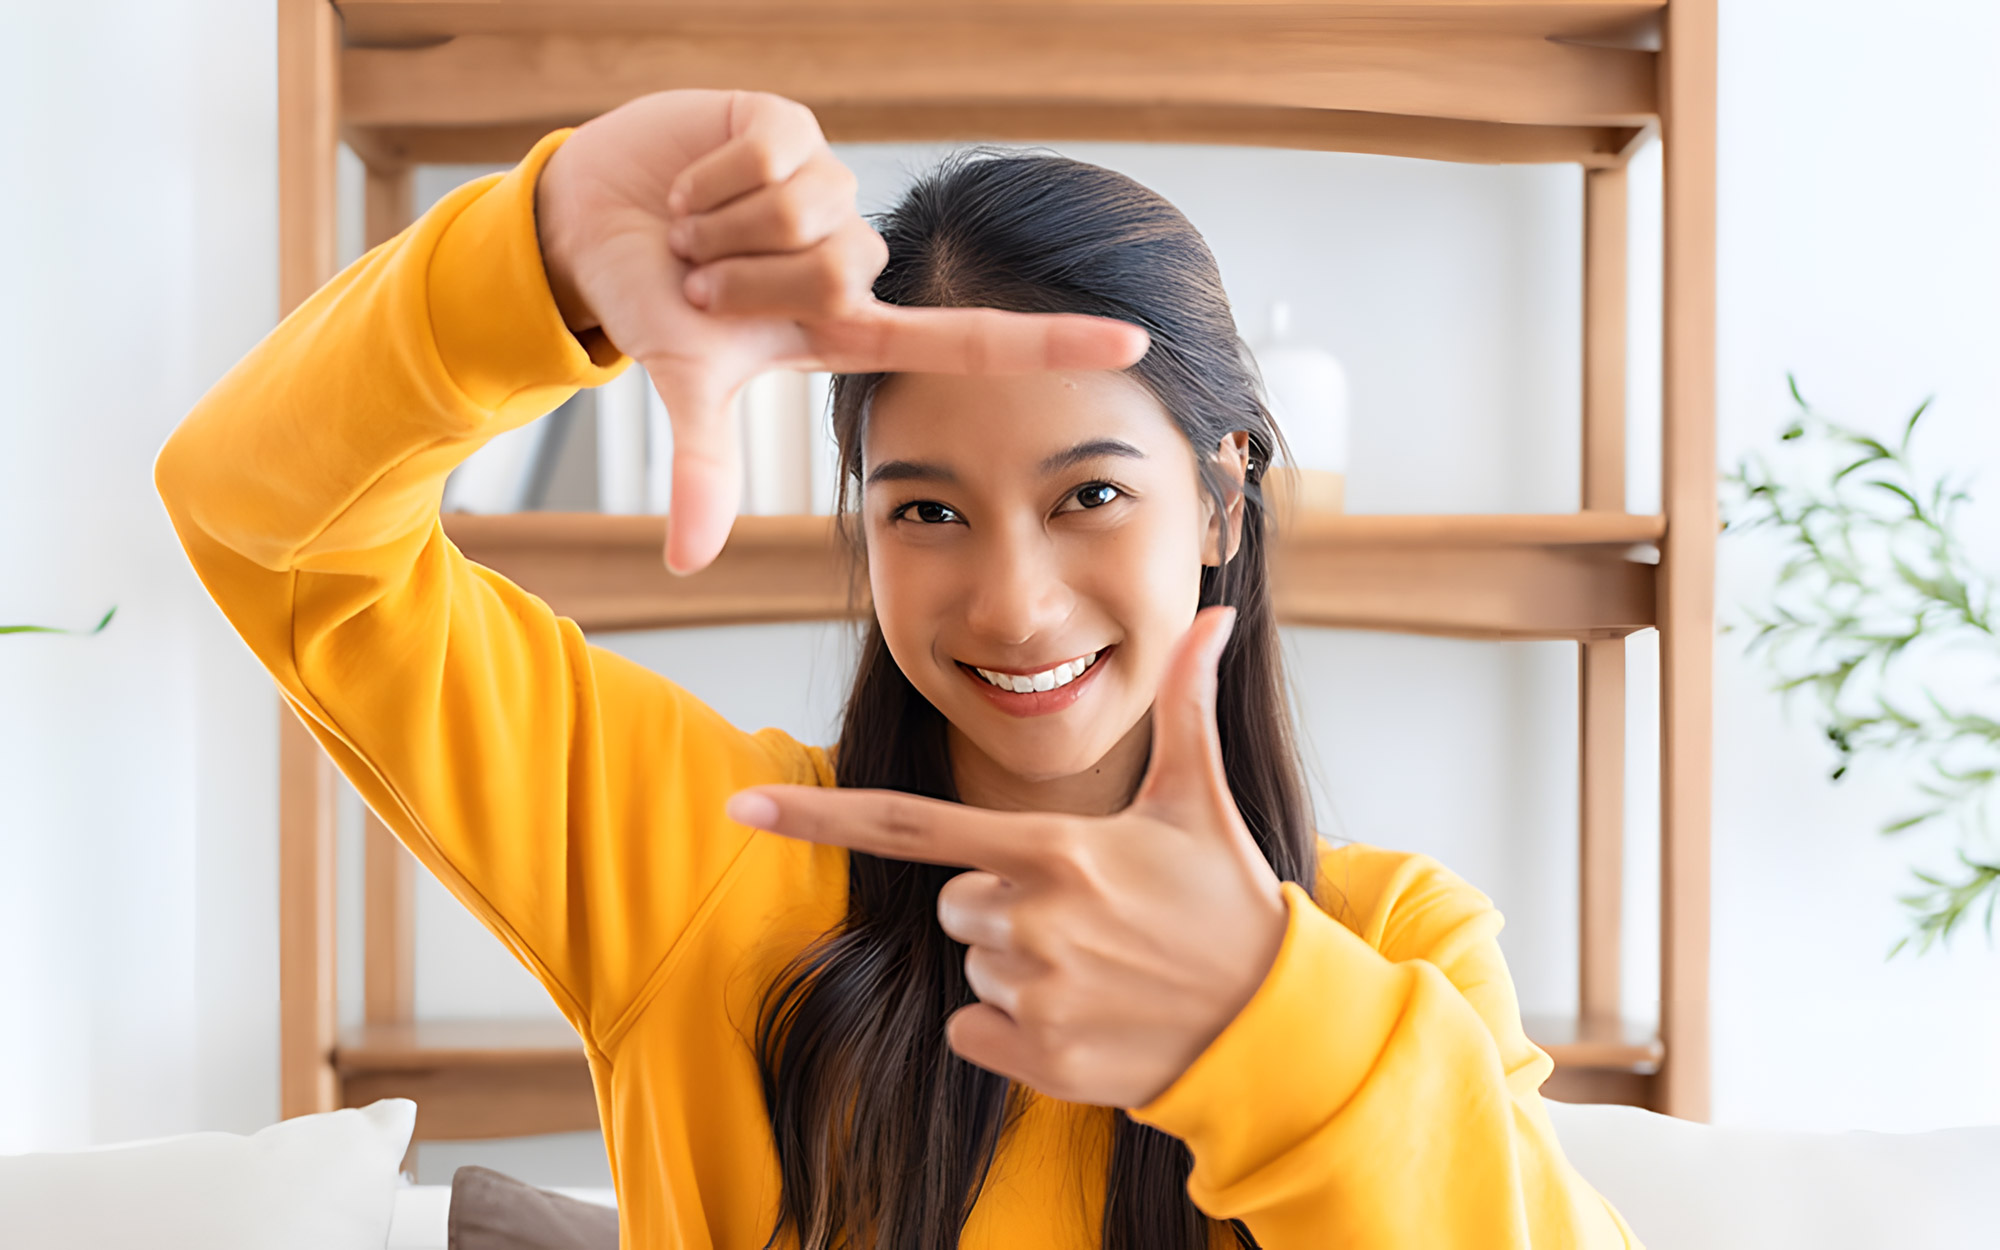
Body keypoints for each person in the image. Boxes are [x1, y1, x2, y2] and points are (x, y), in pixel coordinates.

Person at [157, 89, 1638, 1249]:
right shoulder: (705, 864)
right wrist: (532, 252)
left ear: (1222, 501)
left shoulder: (1393, 945)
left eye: (1090, 495)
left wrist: (1276, 1024)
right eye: (927, 511)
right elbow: (264, 521)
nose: (1014, 603)